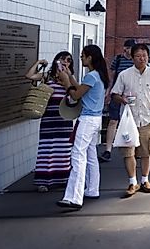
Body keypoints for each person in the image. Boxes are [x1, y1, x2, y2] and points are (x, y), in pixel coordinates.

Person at [111, 43, 150, 197]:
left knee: (146, 151)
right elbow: (114, 94)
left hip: (147, 118)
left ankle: (145, 180)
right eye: (138, 56)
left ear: (148, 57)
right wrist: (122, 99)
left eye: (144, 56)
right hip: (129, 120)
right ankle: (132, 182)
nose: (141, 59)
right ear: (132, 57)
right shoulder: (124, 74)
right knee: (128, 152)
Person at [56, 44, 107, 210]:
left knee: (77, 155)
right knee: (91, 154)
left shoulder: (91, 76)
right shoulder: (98, 75)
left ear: (90, 57)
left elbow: (75, 95)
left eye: (83, 55)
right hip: (96, 119)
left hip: (87, 120)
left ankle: (74, 197)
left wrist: (65, 81)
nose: (81, 58)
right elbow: (81, 89)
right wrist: (70, 77)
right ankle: (92, 189)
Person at [24, 52, 75, 192]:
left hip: (64, 119)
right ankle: (44, 181)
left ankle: (62, 179)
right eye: (62, 59)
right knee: (47, 149)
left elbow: (74, 94)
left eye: (68, 60)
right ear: (56, 61)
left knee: (63, 150)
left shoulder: (69, 79)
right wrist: (39, 62)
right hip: (49, 118)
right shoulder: (47, 76)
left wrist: (68, 77)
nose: (65, 62)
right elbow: (29, 76)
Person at [100, 39, 136, 162]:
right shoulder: (119, 59)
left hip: (131, 93)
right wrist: (109, 91)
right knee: (113, 120)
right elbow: (112, 76)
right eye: (127, 48)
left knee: (133, 120)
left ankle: (134, 148)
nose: (128, 51)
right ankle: (108, 149)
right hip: (117, 92)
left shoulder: (136, 60)